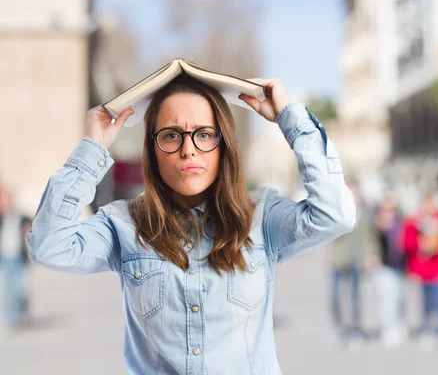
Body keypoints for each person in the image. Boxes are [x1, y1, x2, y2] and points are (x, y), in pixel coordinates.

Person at [26, 75, 356, 374]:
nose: (188, 150)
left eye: (204, 135)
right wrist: (92, 148)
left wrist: (290, 119)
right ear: (152, 150)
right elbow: (48, 246)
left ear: (223, 144)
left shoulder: (261, 216)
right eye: (171, 135)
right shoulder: (122, 223)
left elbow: (335, 214)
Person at [402, 192, 438, 352]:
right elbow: (407, 243)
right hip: (424, 270)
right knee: (426, 301)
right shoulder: (415, 220)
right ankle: (426, 329)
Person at [328, 181, 374, 347]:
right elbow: (332, 234)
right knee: (336, 296)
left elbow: (368, 237)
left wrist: (370, 256)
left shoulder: (363, 214)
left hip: (357, 259)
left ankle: (355, 328)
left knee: (356, 296)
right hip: (338, 260)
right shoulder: (336, 213)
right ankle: (339, 328)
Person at [365, 194, 406, 348]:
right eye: (385, 209)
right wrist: (370, 257)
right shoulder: (375, 225)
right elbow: (368, 243)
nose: (389, 213)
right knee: (386, 298)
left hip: (399, 267)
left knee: (399, 297)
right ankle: (387, 328)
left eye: (392, 210)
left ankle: (398, 324)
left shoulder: (401, 225)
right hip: (383, 267)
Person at [0, 184, 32, 330]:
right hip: (6, 259)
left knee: (22, 288)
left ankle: (23, 315)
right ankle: (14, 318)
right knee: (10, 290)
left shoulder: (21, 217)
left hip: (19, 257)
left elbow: (30, 231)